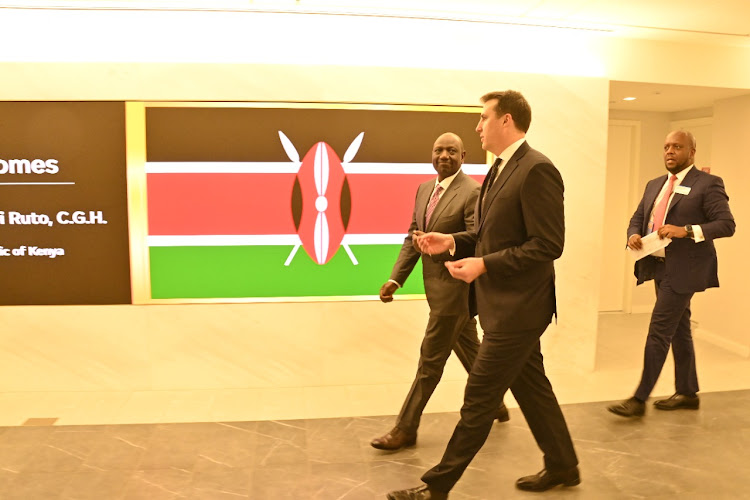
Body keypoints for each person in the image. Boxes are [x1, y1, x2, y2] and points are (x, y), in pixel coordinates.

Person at [387, 90, 579, 500]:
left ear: (506, 121)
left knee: (478, 398)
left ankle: (435, 488)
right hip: (502, 306)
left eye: (483, 119)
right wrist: (451, 241)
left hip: (520, 310)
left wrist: (484, 265)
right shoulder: (497, 171)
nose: (477, 127)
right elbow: (485, 234)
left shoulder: (537, 169)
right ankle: (564, 465)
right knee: (532, 389)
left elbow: (548, 245)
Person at [372, 132, 509, 452]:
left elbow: (478, 236)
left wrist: (447, 241)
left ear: (464, 156)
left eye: (451, 151)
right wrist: (396, 279)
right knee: (469, 349)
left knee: (430, 361)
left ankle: (406, 428)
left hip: (456, 289)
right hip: (434, 288)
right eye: (438, 150)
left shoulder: (473, 191)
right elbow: (413, 238)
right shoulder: (423, 190)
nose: (444, 155)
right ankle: (496, 402)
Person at [607, 130, 735, 418]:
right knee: (679, 328)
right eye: (666, 146)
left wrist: (686, 231)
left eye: (677, 146)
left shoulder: (708, 183)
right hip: (658, 267)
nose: (670, 151)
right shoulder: (655, 184)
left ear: (691, 152)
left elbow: (726, 225)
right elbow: (638, 218)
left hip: (685, 270)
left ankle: (639, 399)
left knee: (659, 331)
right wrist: (634, 234)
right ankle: (688, 392)